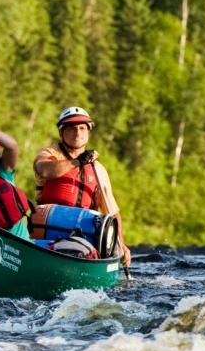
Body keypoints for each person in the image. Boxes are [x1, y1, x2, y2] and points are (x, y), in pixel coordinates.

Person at [33, 106, 131, 265]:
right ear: (61, 132)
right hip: (47, 229)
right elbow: (44, 170)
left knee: (106, 247)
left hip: (83, 235)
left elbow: (112, 213)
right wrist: (77, 162)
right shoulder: (49, 154)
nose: (77, 132)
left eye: (82, 128)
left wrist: (122, 245)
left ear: (88, 132)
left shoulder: (98, 170)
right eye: (71, 128)